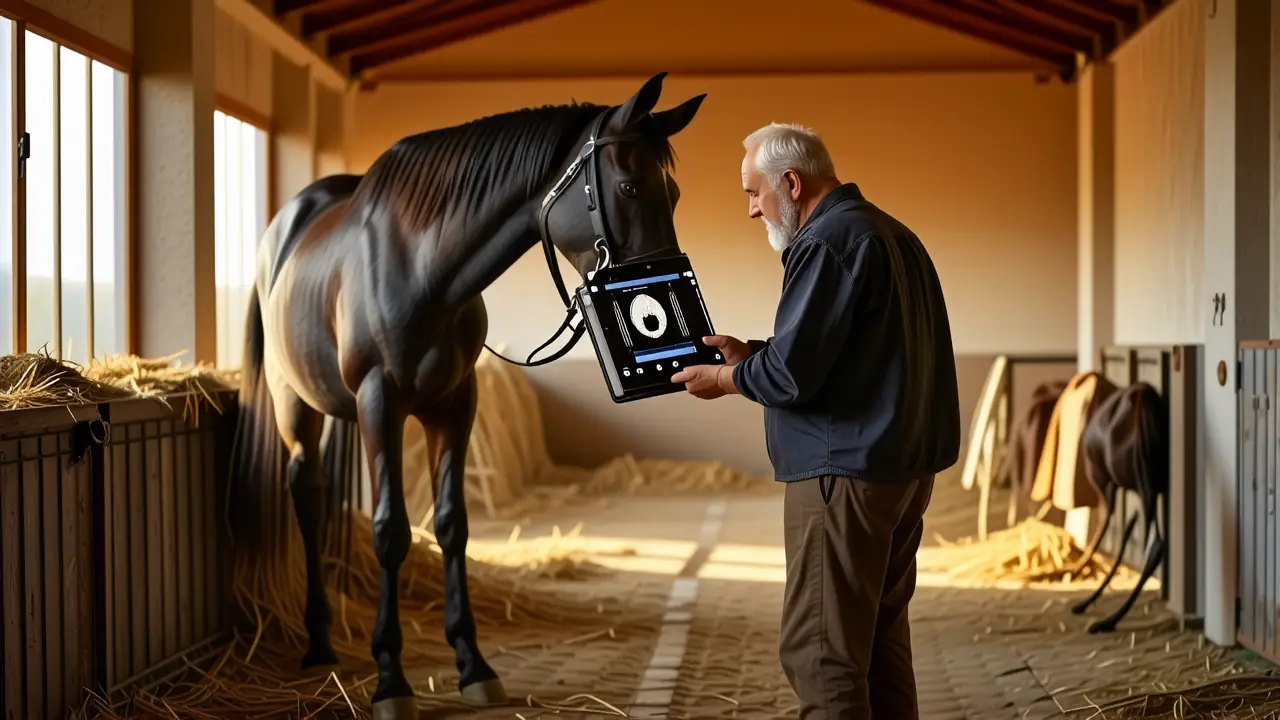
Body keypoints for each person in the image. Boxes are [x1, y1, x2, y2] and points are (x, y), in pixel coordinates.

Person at [670, 122, 961, 719]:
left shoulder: (825, 242)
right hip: (899, 470)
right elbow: (842, 353)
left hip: (842, 475)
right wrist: (752, 354)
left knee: (821, 653)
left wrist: (727, 379)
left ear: (792, 183)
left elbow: (795, 375)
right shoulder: (893, 234)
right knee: (879, 644)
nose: (752, 210)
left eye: (753, 193)